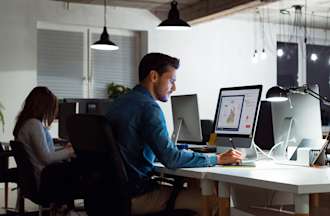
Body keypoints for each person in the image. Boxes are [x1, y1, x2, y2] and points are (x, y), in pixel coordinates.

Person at [106, 52, 242, 215]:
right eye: (171, 80)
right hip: (137, 196)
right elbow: (170, 158)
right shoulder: (149, 108)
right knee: (212, 202)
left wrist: (175, 152)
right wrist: (217, 159)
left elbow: (129, 149)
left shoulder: (119, 103)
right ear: (154, 76)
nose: (174, 88)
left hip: (111, 195)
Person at [13, 86, 76, 203]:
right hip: (46, 179)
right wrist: (70, 151)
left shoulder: (26, 123)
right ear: (43, 106)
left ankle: (64, 208)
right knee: (86, 173)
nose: (53, 112)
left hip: (41, 177)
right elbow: (46, 159)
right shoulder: (33, 125)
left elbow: (42, 151)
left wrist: (64, 150)